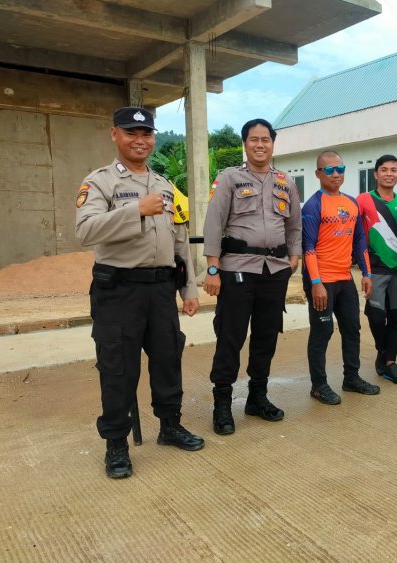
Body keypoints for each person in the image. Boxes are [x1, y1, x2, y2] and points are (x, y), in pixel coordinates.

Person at [75, 106, 204, 480]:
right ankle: (116, 443)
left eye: (146, 134)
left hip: (161, 290)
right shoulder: (99, 182)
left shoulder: (165, 186)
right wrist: (136, 210)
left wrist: (188, 288)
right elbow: (85, 231)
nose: (140, 140)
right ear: (114, 134)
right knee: (118, 369)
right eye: (131, 132)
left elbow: (180, 239)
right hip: (118, 291)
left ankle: (170, 425)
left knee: (168, 359)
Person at [203, 118, 302, 435]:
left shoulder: (286, 181)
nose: (260, 145)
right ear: (245, 144)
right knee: (230, 336)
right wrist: (213, 268)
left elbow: (295, 225)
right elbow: (214, 225)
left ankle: (257, 397)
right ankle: (222, 404)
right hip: (237, 269)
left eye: (266, 139)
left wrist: (294, 258)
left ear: (273, 144)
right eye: (253, 139)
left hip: (274, 270)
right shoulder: (229, 178)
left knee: (266, 335)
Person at [302, 150, 380, 405]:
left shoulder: (351, 203)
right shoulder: (314, 205)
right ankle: (319, 385)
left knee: (352, 328)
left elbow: (359, 241)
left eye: (340, 169)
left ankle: (351, 378)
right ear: (318, 174)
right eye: (329, 170)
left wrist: (366, 273)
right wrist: (316, 283)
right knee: (322, 331)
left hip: (344, 278)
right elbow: (308, 247)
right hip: (321, 280)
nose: (335, 174)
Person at [357, 155, 397, 384]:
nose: (389, 173)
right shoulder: (363, 200)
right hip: (375, 270)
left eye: (394, 170)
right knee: (377, 317)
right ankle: (383, 351)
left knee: (396, 317)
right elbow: (354, 233)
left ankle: (390, 361)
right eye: (384, 169)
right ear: (376, 174)